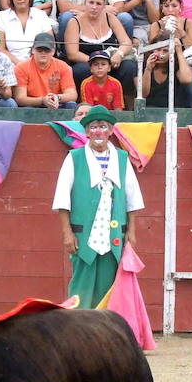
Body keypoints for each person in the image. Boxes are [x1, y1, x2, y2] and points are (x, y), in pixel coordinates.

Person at [52, 104, 142, 308]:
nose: (98, 131)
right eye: (93, 127)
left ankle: (103, 334)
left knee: (109, 289)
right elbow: (62, 199)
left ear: (111, 131)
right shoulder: (74, 158)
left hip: (113, 236)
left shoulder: (121, 158)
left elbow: (132, 198)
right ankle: (77, 334)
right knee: (80, 289)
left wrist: (131, 231)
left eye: (102, 126)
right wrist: (67, 233)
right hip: (83, 237)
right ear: (86, 132)